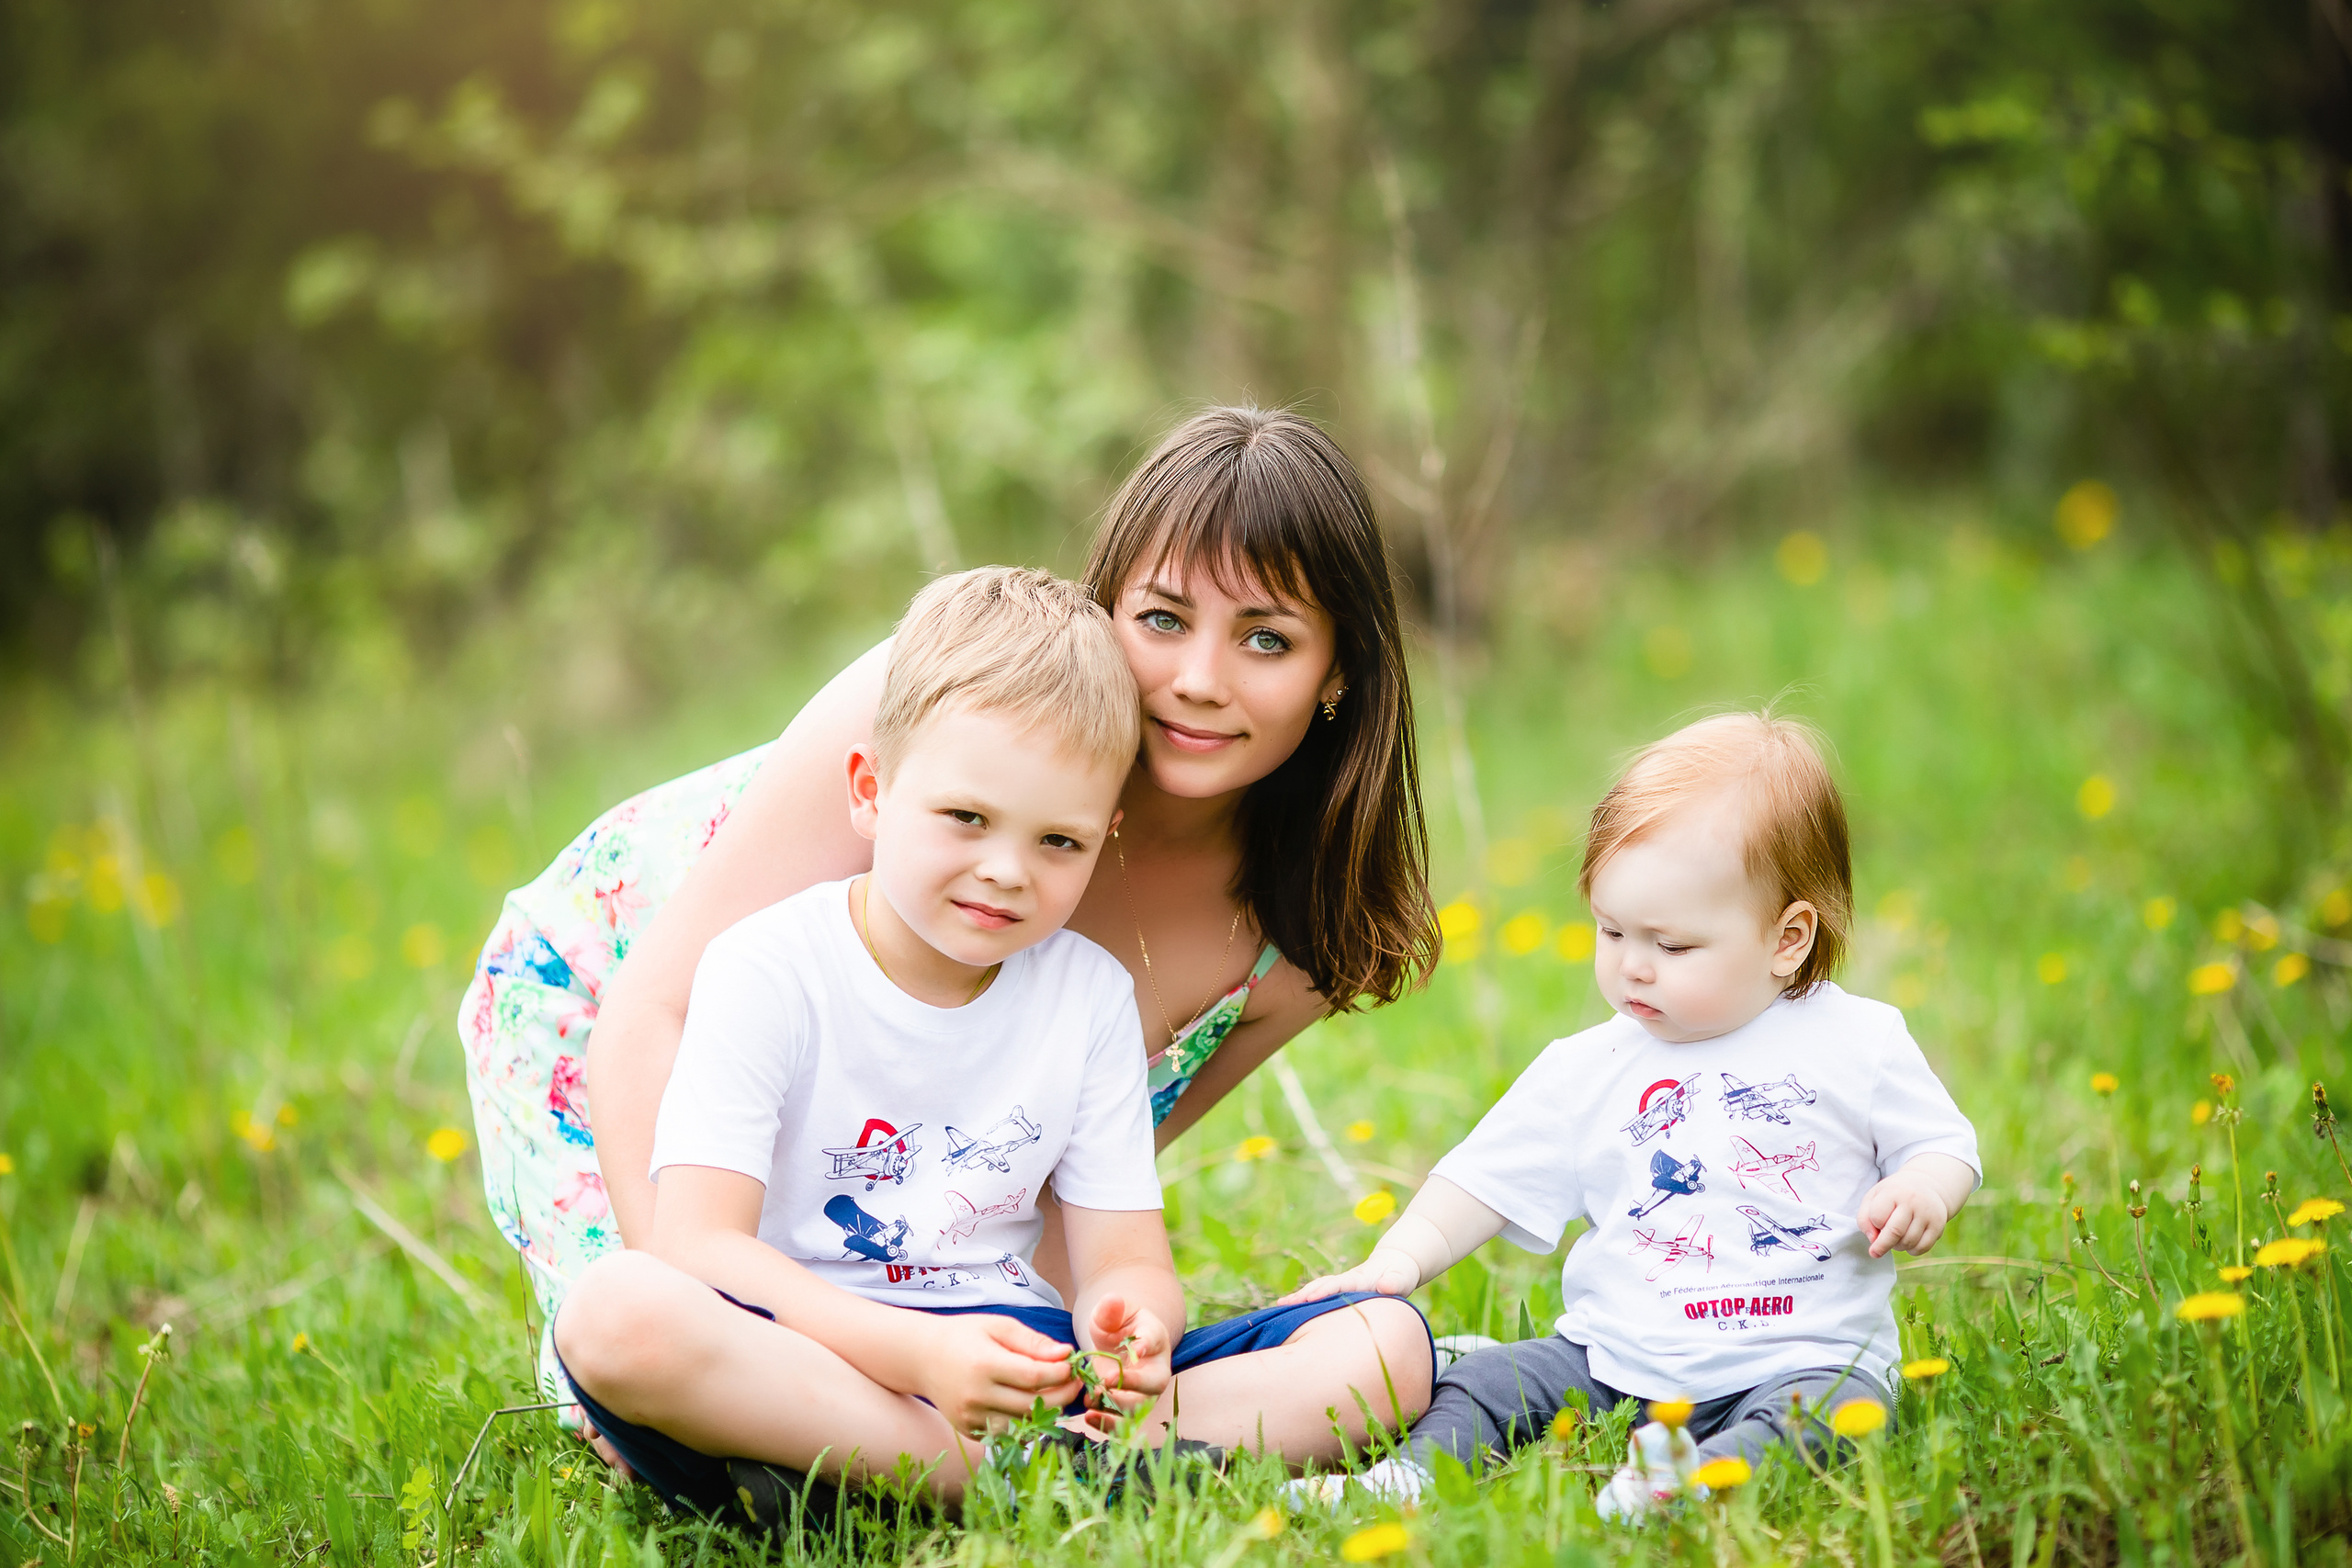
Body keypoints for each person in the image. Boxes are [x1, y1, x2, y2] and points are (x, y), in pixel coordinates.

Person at [458, 406, 1440, 1465]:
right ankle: (968, 1466)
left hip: (895, 1236)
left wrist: (1078, 1354)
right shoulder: (938, 699)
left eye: (1266, 639)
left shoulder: (1293, 946)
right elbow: (652, 1018)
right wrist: (741, 1323)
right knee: (638, 1330)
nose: (1200, 677)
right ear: (1106, 604)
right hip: (629, 1034)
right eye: (1161, 619)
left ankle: (952, 1460)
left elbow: (1056, 1195)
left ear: (1338, 671)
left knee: (1378, 1353)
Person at [1282, 711, 1981, 1517]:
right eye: (1611, 930)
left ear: (1787, 938)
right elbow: (1482, 1181)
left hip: (1804, 1352)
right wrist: (1399, 1260)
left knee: (1836, 1415)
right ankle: (1404, 1478)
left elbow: (1942, 1143)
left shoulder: (1856, 1039)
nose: (1631, 966)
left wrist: (1925, 1188)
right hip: (1619, 1356)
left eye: (1673, 945)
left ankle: (1690, 1475)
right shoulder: (1592, 1067)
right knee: (1490, 1380)